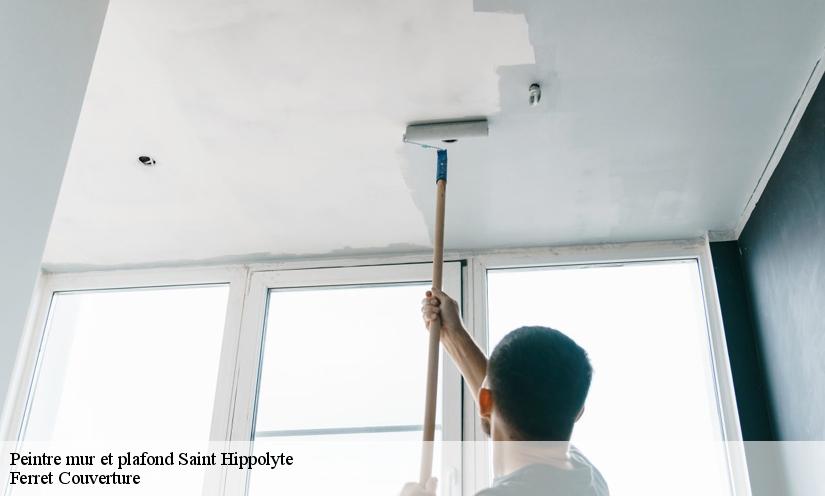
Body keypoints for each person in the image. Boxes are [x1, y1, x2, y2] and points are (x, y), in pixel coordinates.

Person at [400, 289, 608, 496]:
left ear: (485, 401)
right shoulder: (590, 481)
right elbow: (507, 396)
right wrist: (454, 336)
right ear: (579, 411)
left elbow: (502, 397)